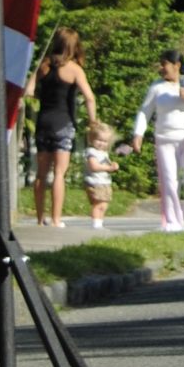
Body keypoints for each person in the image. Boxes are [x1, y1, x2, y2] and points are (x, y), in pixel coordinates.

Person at [132, 48, 184, 233]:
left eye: (164, 64)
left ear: (177, 65)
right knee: (169, 182)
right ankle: (172, 223)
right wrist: (138, 134)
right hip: (164, 140)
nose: (161, 68)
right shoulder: (156, 87)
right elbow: (144, 111)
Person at [23, 27, 97, 231]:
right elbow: (89, 97)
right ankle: (56, 220)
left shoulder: (44, 66)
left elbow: (28, 91)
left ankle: (40, 218)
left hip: (43, 122)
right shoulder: (74, 69)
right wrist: (92, 122)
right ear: (73, 47)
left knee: (41, 173)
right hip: (64, 123)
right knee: (59, 174)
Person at [80, 123, 119, 230]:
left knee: (104, 204)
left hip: (104, 182)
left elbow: (107, 165)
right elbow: (94, 166)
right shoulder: (91, 152)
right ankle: (96, 223)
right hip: (95, 182)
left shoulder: (104, 153)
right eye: (99, 140)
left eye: (105, 141)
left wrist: (113, 166)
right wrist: (108, 168)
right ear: (92, 139)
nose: (102, 143)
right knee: (98, 203)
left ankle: (100, 222)